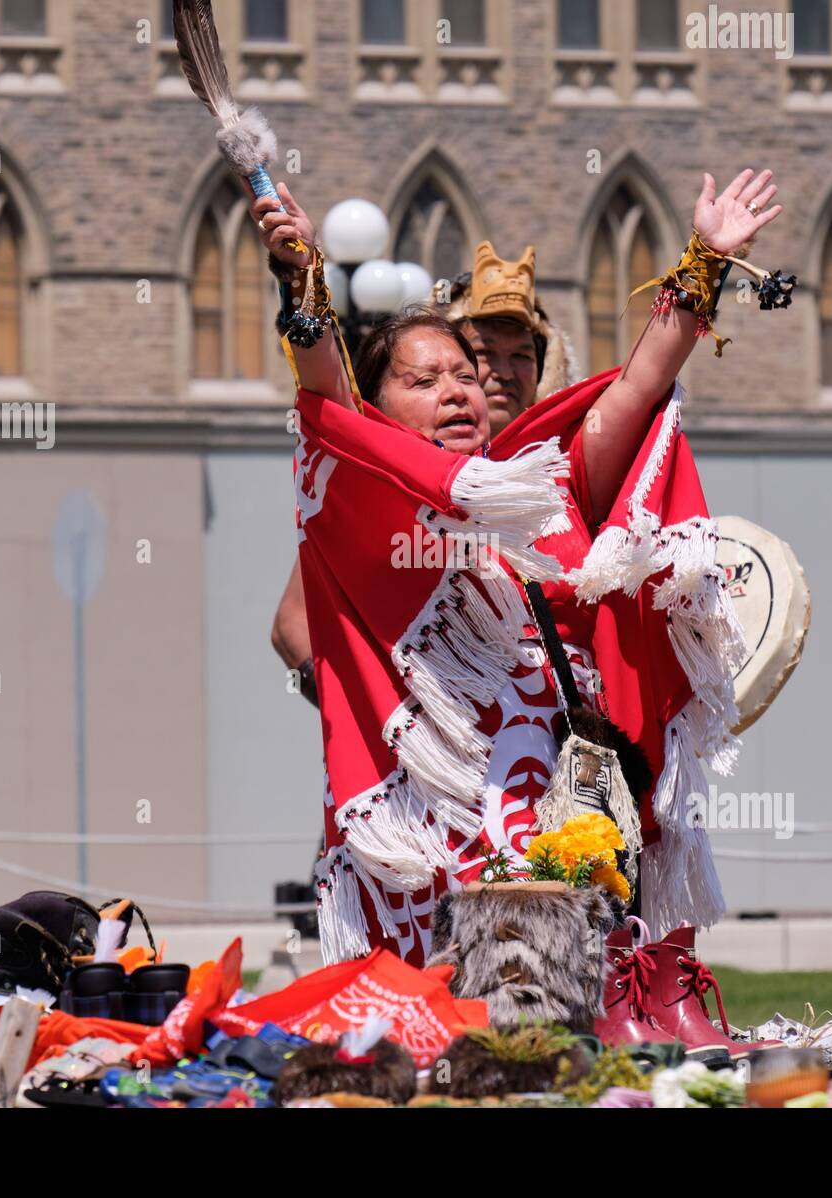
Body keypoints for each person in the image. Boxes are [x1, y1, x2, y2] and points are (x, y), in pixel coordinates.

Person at [254, 171, 782, 968]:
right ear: (379, 407)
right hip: (429, 827)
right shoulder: (364, 495)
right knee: (437, 1049)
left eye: (466, 375)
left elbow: (638, 387)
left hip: (565, 806)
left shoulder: (548, 484)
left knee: (568, 1041)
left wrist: (704, 261)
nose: (458, 390)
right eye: (423, 380)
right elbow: (325, 389)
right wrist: (303, 276)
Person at [271, 237, 576, 697]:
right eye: (484, 353)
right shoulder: (387, 481)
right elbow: (292, 624)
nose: (504, 372)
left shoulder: (560, 478)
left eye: (521, 355)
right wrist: (382, 712)